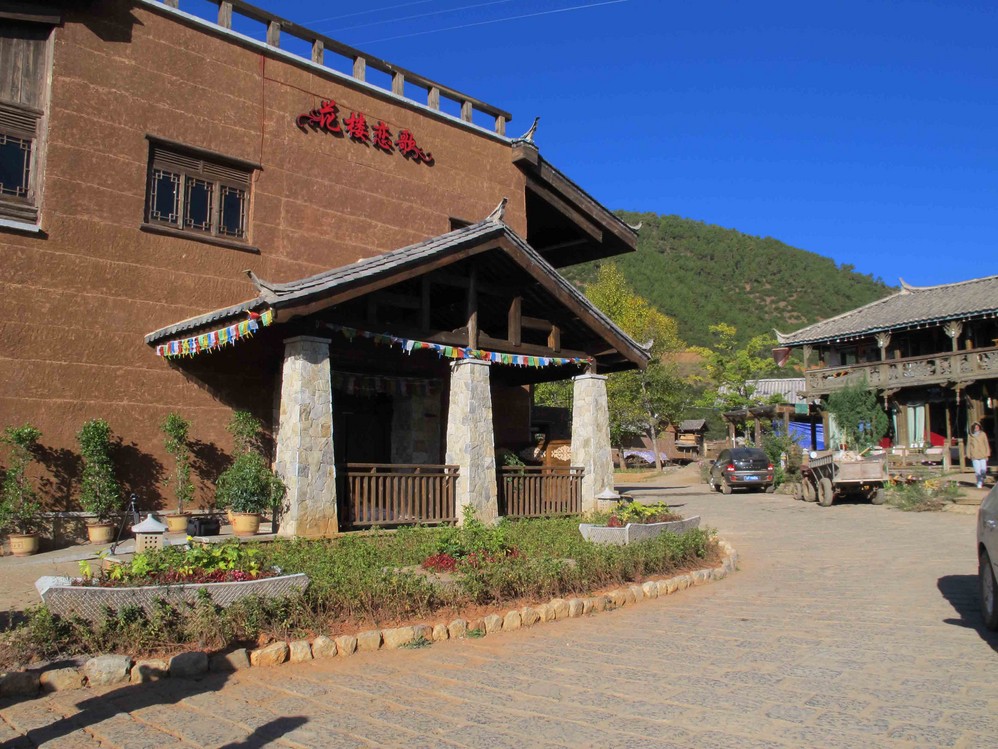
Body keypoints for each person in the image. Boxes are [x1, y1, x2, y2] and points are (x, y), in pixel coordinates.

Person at [968, 422, 991, 489]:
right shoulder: (970, 436)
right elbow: (968, 445)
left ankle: (982, 478)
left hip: (983, 454)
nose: (976, 428)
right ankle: (979, 483)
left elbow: (986, 444)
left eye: (977, 427)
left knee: (983, 470)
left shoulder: (983, 434)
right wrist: (969, 454)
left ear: (979, 427)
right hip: (974, 455)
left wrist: (987, 453)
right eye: (975, 427)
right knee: (977, 471)